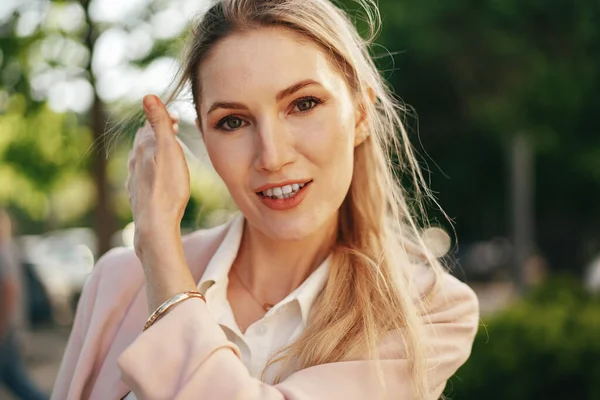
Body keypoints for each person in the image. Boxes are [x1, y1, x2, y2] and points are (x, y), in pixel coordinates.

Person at [52, 0, 479, 399]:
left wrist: (161, 255)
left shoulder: (428, 309)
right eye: (233, 121)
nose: (272, 157)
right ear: (203, 136)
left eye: (304, 103)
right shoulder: (118, 282)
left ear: (362, 114)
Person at [0, 210, 48, 400]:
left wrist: (2, 325)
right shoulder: (8, 249)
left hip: (6, 330)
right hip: (10, 328)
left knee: (17, 381)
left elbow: (10, 289)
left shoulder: (3, 252)